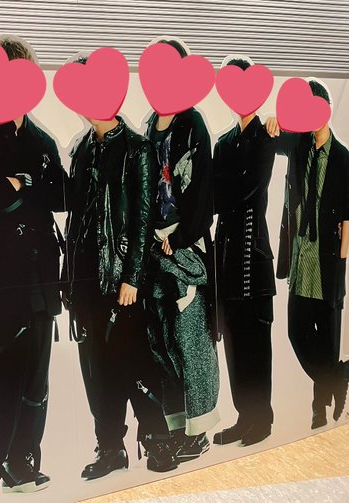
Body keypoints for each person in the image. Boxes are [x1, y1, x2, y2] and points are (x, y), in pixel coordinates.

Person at [0, 35, 68, 503]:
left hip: (41, 276)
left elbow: (62, 196)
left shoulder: (43, 140)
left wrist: (21, 185)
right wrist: (31, 185)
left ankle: (23, 464)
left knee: (35, 381)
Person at [62, 52, 178, 477]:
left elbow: (142, 219)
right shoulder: (80, 149)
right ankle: (110, 448)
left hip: (122, 280)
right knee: (98, 371)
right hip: (85, 280)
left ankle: (157, 441)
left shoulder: (137, 148)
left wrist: (132, 277)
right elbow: (75, 218)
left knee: (135, 361)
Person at [143, 37, 220, 463]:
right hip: (154, 249)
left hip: (185, 247)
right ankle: (177, 427)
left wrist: (183, 237)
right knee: (163, 341)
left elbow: (204, 188)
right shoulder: (149, 122)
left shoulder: (193, 123)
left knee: (191, 340)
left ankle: (201, 430)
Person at [265, 79, 349, 429]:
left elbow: (348, 216)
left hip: (327, 262)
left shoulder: (343, 158)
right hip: (301, 255)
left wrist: (341, 261)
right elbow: (274, 138)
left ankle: (319, 409)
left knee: (327, 339)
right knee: (296, 332)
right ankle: (339, 376)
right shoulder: (299, 144)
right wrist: (273, 119)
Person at [212, 56, 276, 447]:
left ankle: (261, 419)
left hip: (253, 252)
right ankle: (243, 417)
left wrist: (225, 188)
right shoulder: (223, 142)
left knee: (256, 342)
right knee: (234, 342)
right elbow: (215, 196)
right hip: (225, 255)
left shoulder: (265, 136)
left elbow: (251, 189)